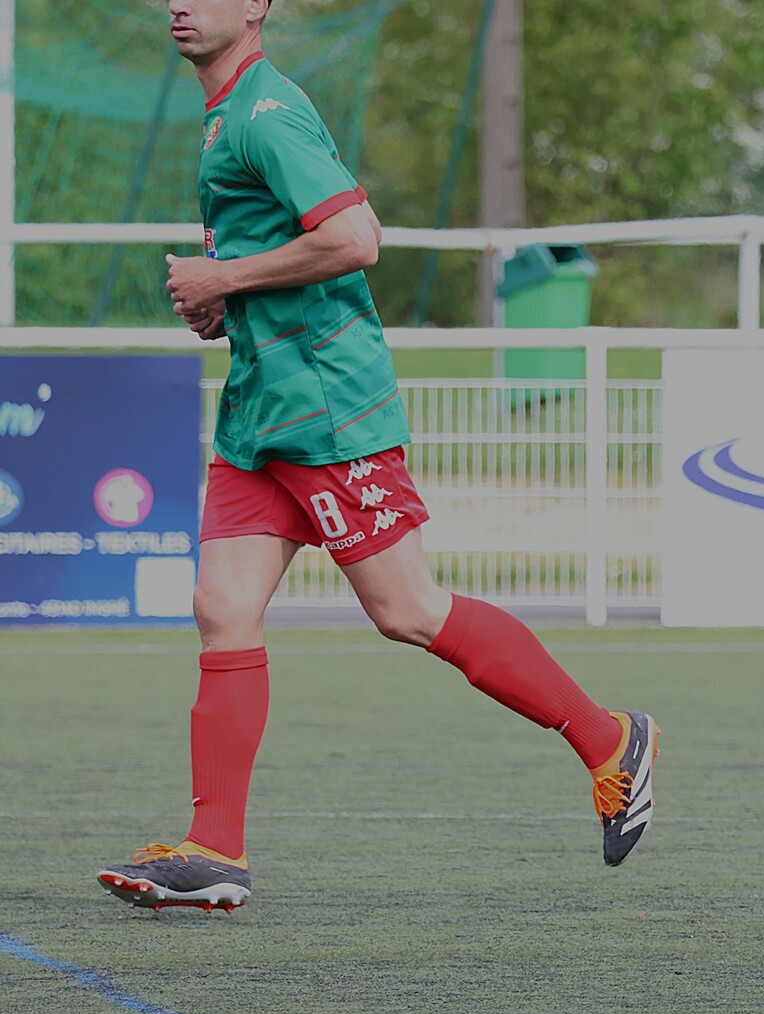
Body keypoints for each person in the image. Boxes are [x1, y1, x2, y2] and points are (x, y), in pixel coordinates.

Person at [97, 0, 659, 912]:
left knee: (408, 610)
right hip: (260, 407)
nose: (180, 3)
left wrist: (225, 277)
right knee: (222, 608)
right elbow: (280, 243)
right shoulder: (226, 115)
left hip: (326, 406)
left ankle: (608, 739)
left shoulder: (265, 112)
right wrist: (226, 301)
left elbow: (356, 237)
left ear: (258, 6)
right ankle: (216, 848)